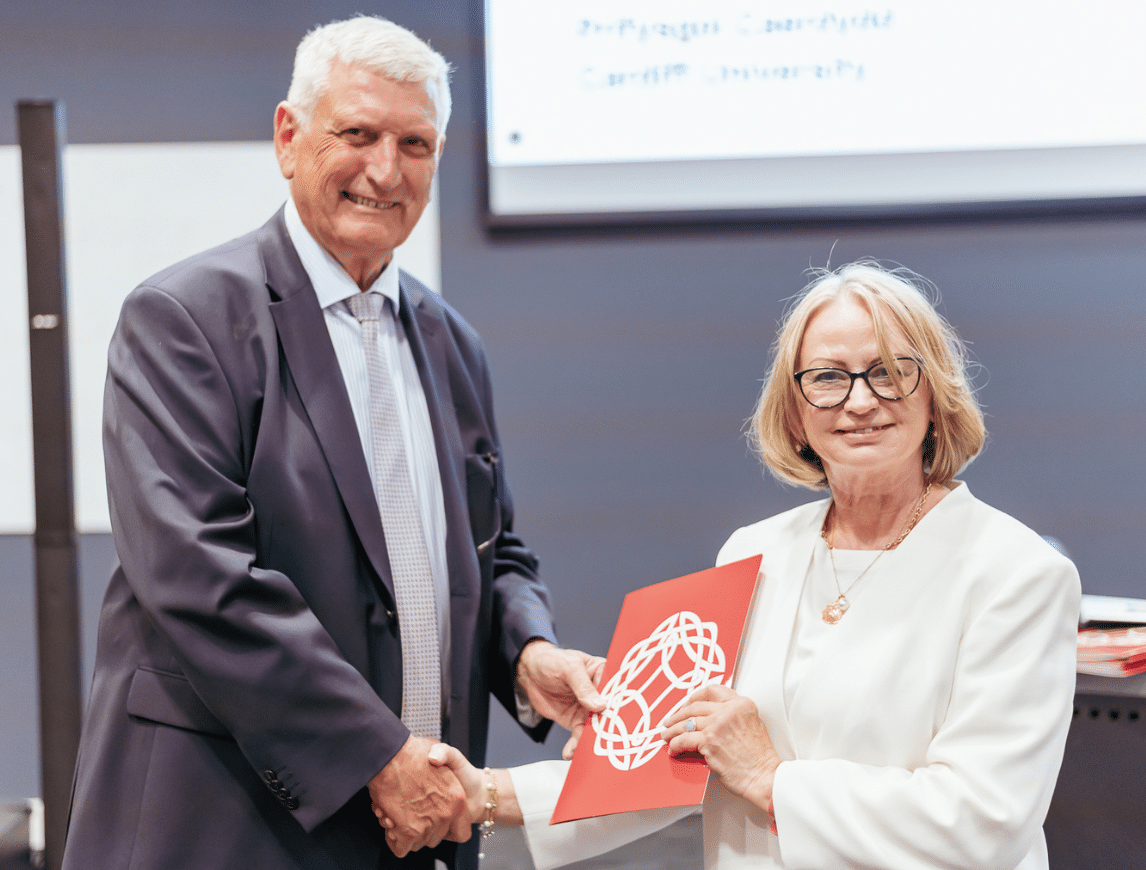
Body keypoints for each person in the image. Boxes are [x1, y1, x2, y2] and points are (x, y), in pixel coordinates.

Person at [61, 15, 603, 870]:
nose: (385, 170)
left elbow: (491, 554)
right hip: (225, 828)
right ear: (288, 137)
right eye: (357, 134)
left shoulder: (454, 343)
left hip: (411, 836)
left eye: (415, 144)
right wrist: (380, 758)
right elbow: (201, 579)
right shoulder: (182, 321)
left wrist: (527, 653)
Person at [425, 262, 1082, 870]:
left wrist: (772, 779)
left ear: (935, 393)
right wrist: (482, 793)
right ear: (794, 413)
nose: (860, 401)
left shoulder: (1017, 574)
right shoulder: (753, 553)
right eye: (827, 377)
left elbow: (982, 821)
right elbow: (671, 765)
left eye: (889, 371)